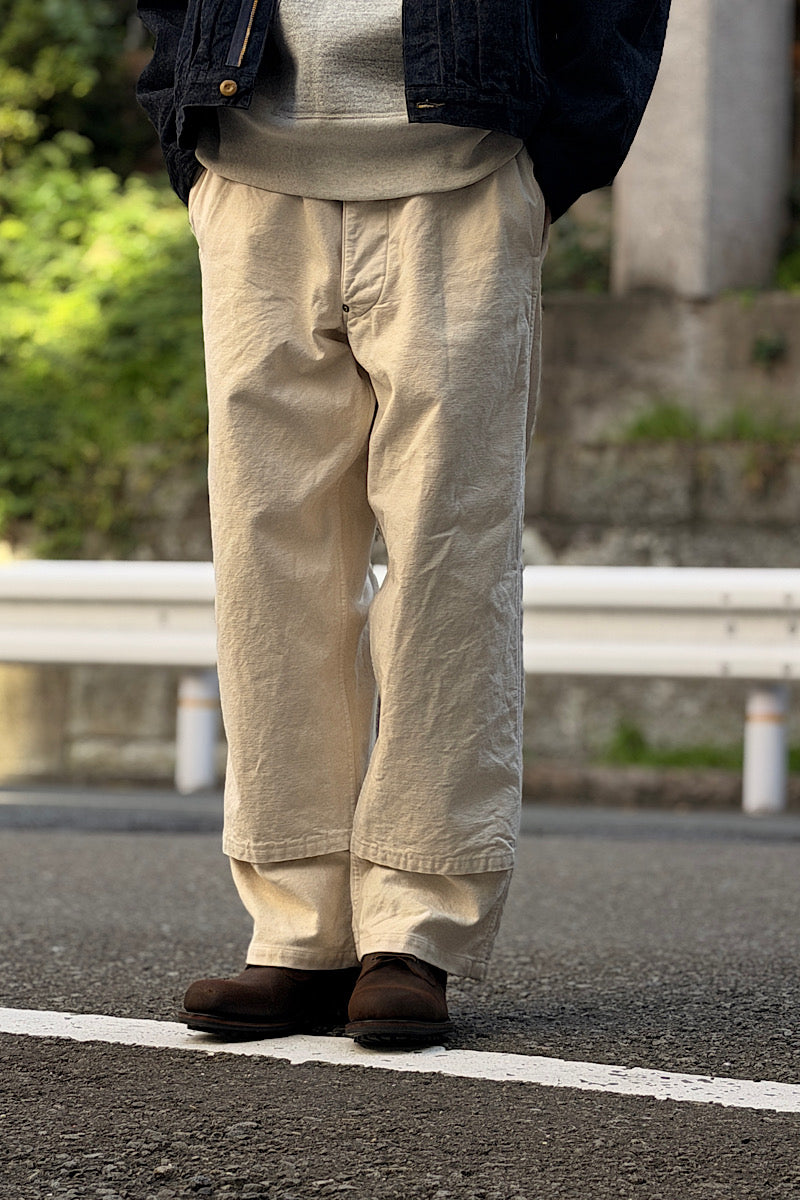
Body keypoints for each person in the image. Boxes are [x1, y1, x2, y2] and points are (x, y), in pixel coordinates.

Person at [136, 0, 671, 1048]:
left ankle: (412, 928)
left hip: (464, 166)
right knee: (266, 564)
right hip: (250, 167)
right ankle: (298, 931)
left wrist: (548, 152)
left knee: (446, 555)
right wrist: (182, 121)